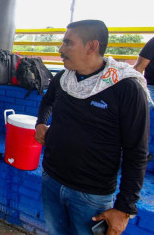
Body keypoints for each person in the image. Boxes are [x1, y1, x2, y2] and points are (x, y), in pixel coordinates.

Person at [35, 20, 149, 235]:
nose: (61, 49)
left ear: (91, 46)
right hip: (51, 179)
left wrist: (124, 208)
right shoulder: (63, 78)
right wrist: (41, 122)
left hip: (91, 195)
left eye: (68, 43)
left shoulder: (125, 88)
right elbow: (47, 101)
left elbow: (137, 152)